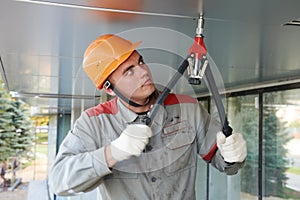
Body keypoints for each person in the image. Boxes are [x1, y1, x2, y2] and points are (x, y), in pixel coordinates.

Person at [49, 34, 247, 199]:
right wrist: (112, 153)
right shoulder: (94, 122)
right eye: (129, 71)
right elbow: (60, 182)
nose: (143, 71)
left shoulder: (187, 108)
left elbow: (225, 164)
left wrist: (233, 156)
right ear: (109, 89)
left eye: (140, 61)